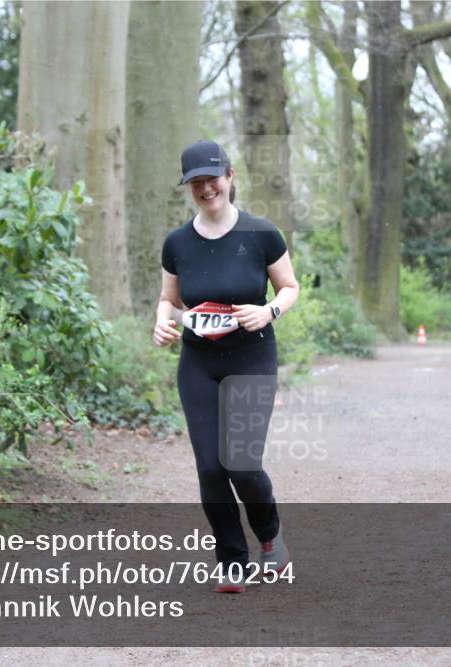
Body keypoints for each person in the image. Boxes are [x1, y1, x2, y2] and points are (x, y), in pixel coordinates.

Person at [153, 140, 300, 593]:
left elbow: (290, 288)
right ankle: (232, 561)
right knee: (211, 468)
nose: (205, 188)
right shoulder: (177, 242)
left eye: (211, 179)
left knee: (242, 463)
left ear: (230, 176)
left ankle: (270, 537)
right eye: (195, 183)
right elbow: (169, 301)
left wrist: (269, 311)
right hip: (198, 362)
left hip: (252, 356)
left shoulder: (261, 234)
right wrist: (163, 323)